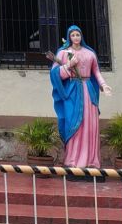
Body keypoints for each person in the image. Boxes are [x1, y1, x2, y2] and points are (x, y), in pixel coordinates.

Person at [47, 25, 112, 169]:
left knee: (90, 124)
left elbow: (96, 72)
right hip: (72, 91)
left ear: (81, 36)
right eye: (73, 35)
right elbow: (54, 74)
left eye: (78, 35)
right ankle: (72, 160)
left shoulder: (90, 53)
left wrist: (103, 85)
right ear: (69, 37)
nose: (76, 37)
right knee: (72, 123)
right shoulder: (64, 53)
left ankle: (90, 161)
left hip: (88, 90)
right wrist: (69, 65)